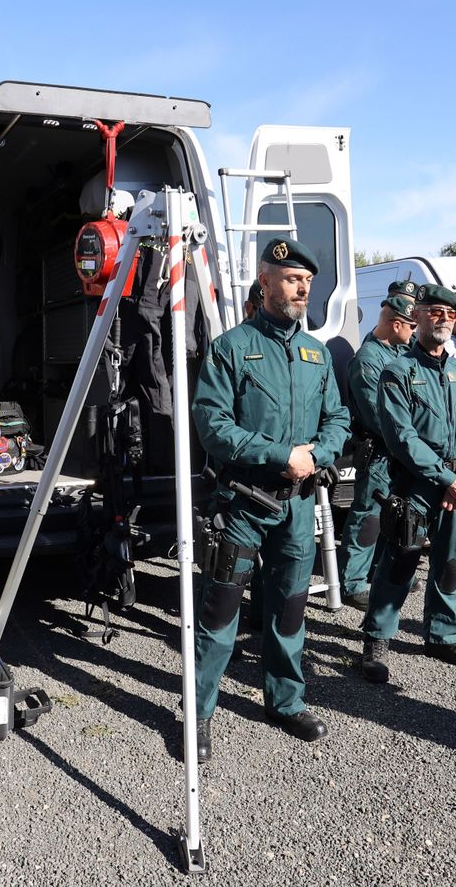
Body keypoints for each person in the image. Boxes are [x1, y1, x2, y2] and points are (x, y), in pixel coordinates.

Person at [190, 236, 349, 759]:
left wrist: (317, 455)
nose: (302, 288)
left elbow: (338, 419)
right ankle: (200, 714)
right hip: (242, 504)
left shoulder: (316, 354)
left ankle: (284, 701)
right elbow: (211, 425)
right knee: (220, 613)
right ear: (265, 283)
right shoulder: (232, 348)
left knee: (289, 608)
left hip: (299, 505)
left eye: (306, 281)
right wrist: (281, 454)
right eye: (291, 280)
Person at [358, 283, 456, 683]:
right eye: (435, 312)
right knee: (399, 563)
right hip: (417, 484)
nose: (443, 320)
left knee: (450, 564)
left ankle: (443, 635)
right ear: (416, 316)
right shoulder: (397, 372)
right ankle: (376, 641)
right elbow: (401, 438)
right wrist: (448, 477)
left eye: (451, 315)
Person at [339, 294, 417, 612]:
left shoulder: (398, 352)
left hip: (399, 451)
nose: (414, 331)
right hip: (380, 453)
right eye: (411, 326)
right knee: (368, 518)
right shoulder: (368, 360)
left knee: (394, 517)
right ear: (395, 324)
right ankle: (353, 582)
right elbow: (379, 415)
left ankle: (381, 571)